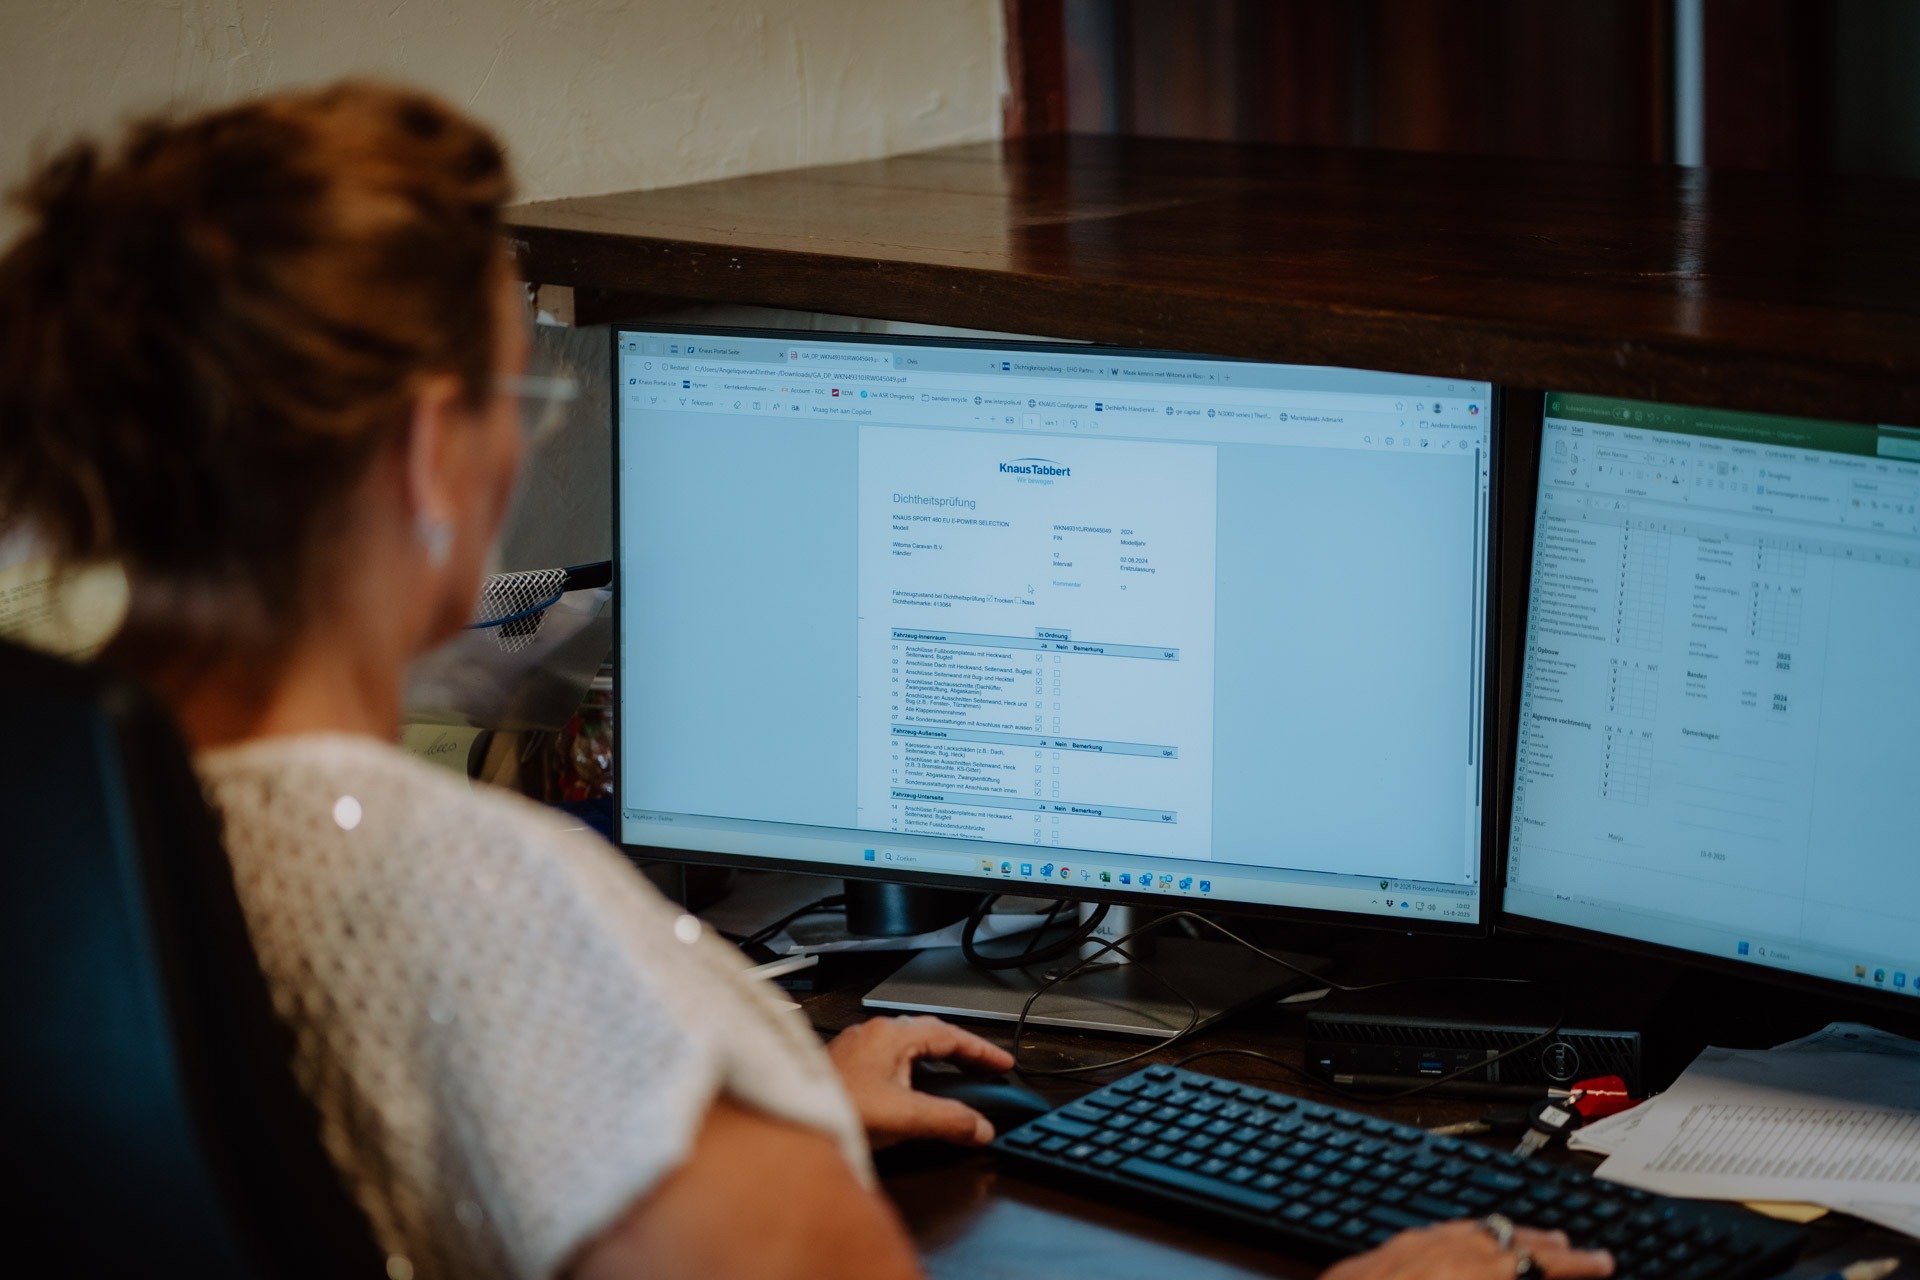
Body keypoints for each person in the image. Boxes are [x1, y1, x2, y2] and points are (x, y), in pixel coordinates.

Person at [0, 83, 1612, 1280]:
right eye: (517, 398)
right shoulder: (471, 894)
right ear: (428, 453)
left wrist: (758, 1107)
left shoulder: (71, 822)